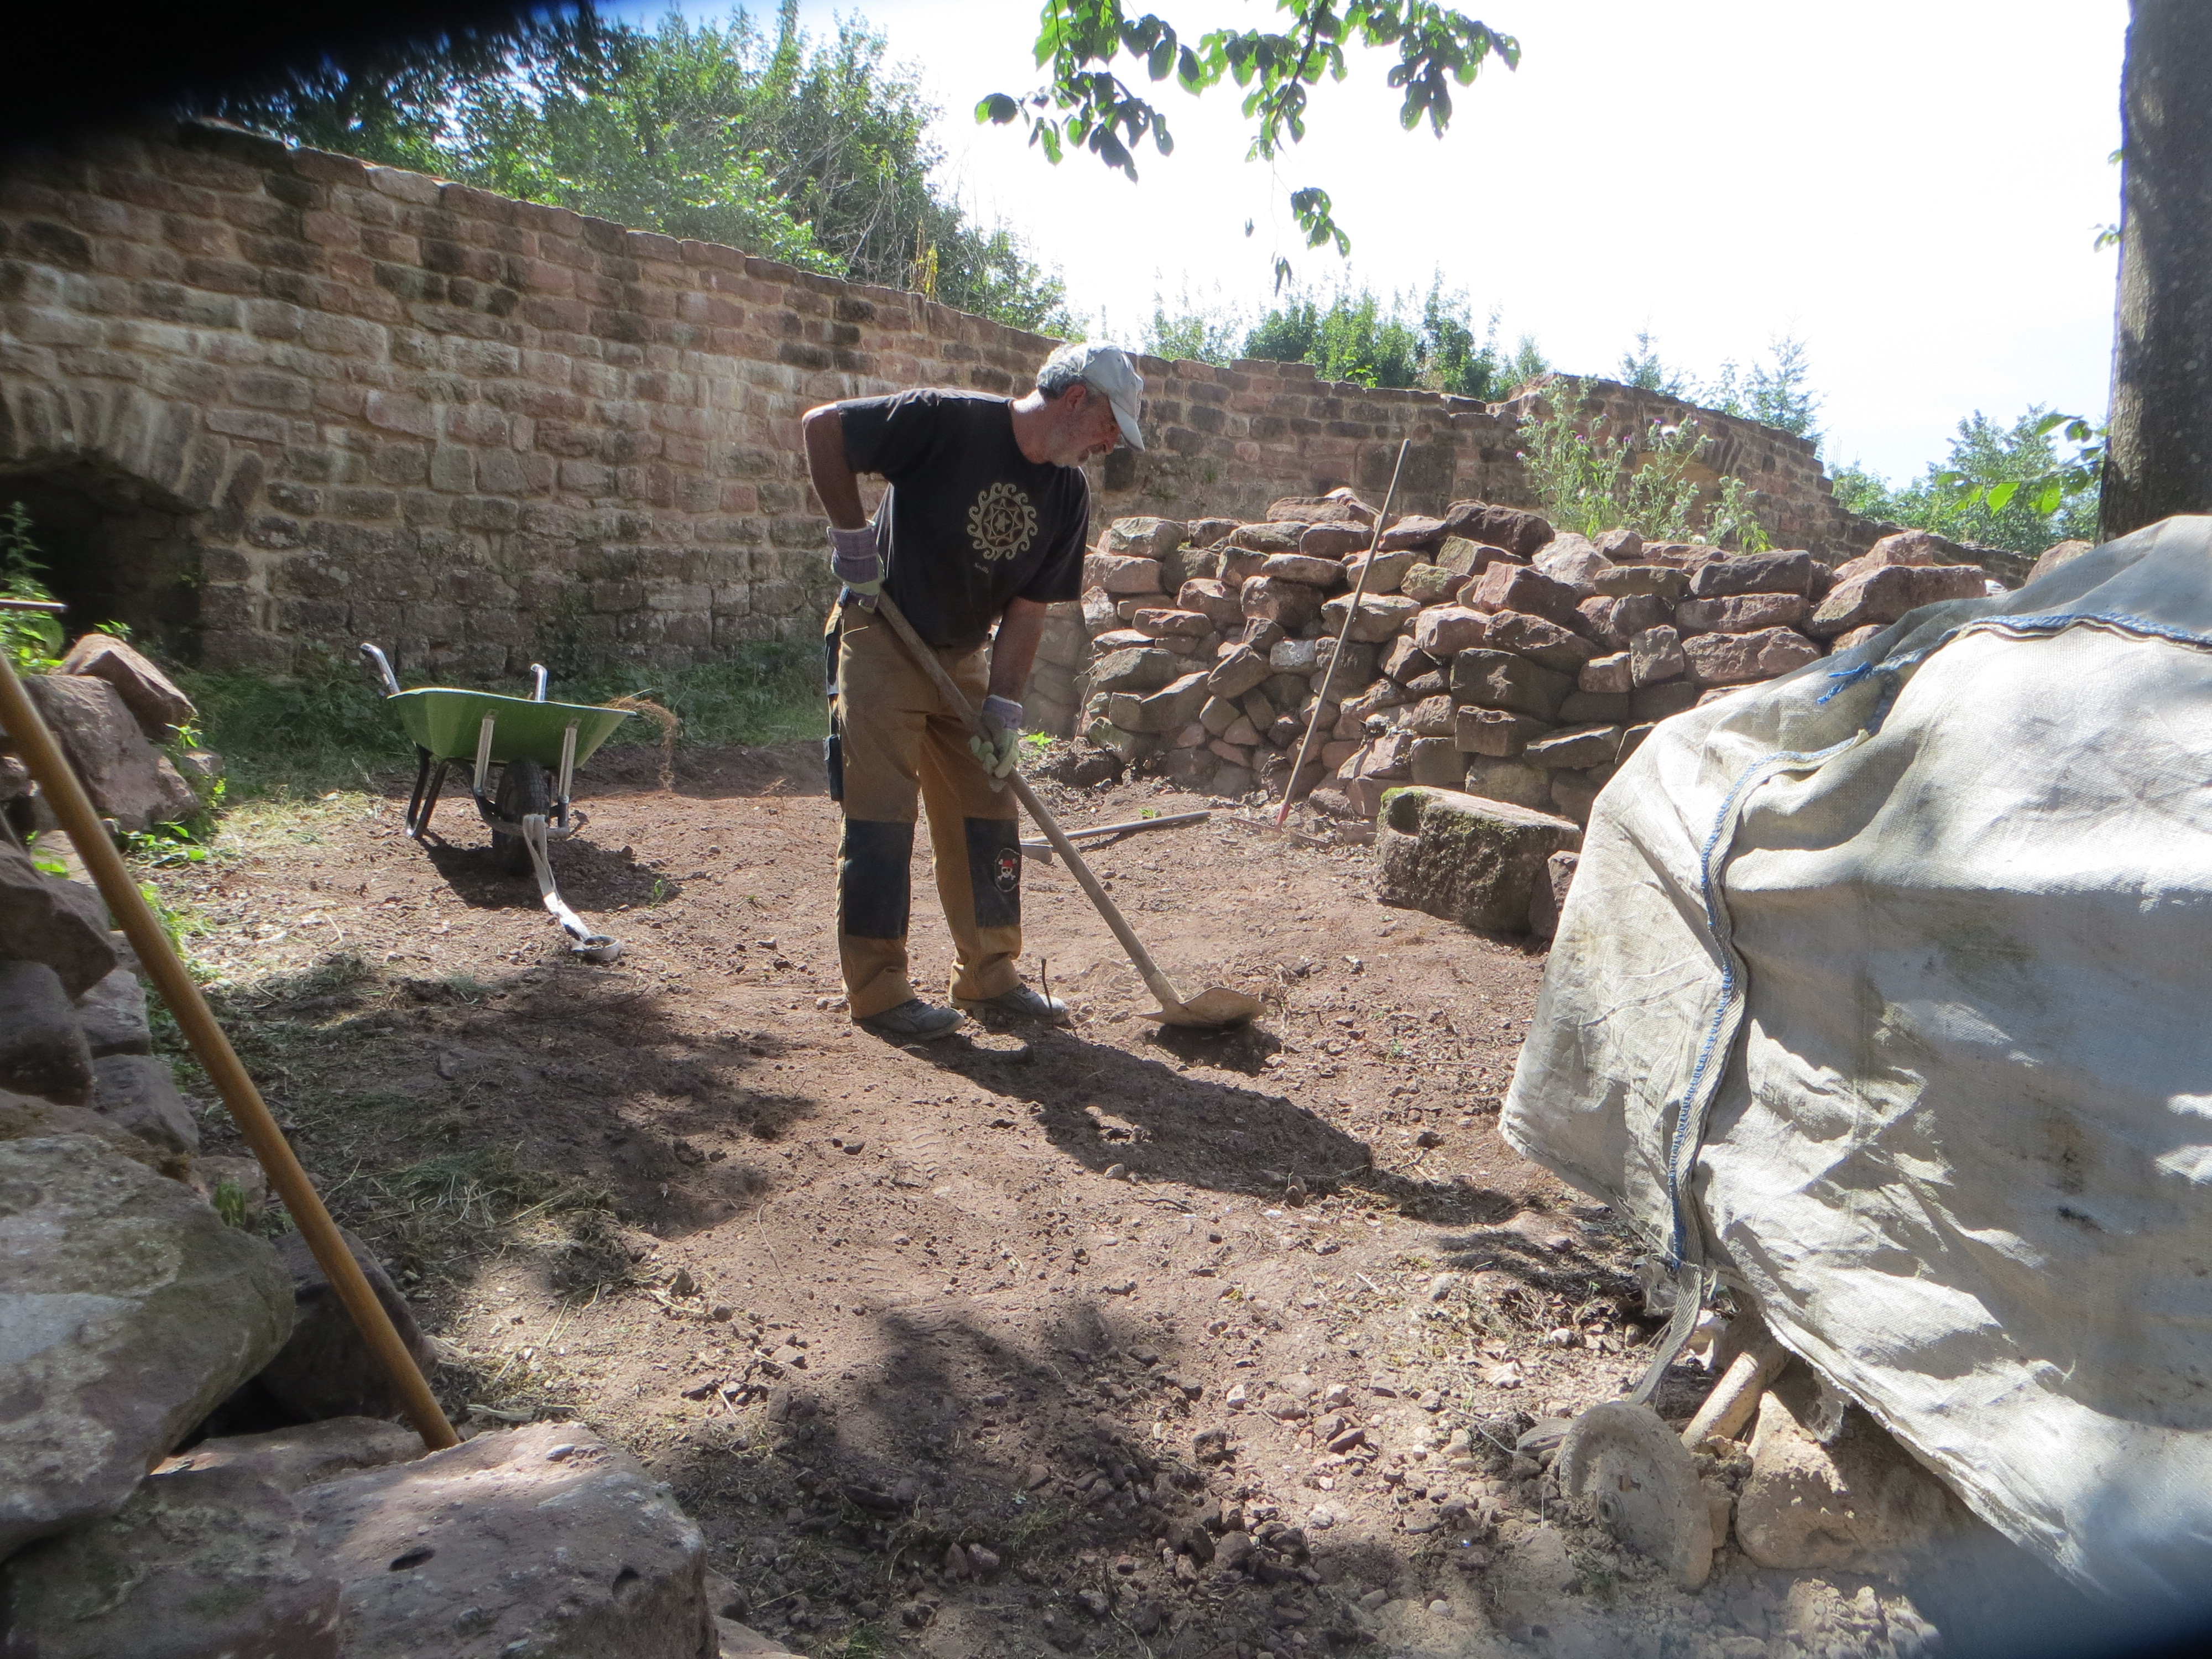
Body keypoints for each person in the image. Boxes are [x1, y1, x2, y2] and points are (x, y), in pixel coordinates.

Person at [801, 342, 1145, 1040]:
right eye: (1110, 424)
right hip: (883, 636)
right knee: (881, 817)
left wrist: (1004, 705)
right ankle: (878, 989)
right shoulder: (945, 420)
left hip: (963, 654)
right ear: (1073, 399)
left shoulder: (1068, 494)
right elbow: (822, 429)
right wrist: (853, 538)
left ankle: (989, 975)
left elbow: (1028, 607)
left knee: (987, 811)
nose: (1111, 444)